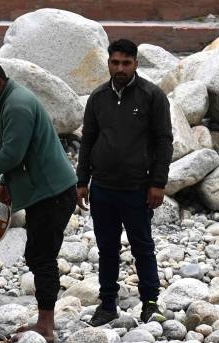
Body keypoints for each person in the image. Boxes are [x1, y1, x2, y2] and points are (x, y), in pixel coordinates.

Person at [0, 56, 78, 343]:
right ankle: (45, 320)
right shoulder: (1, 101)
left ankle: (46, 326)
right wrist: (5, 183)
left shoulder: (16, 105)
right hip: (43, 191)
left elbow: (11, 155)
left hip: (52, 192)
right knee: (39, 254)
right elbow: (16, 149)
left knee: (42, 256)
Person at [77, 38, 173, 326]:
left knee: (142, 246)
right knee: (107, 248)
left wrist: (158, 183)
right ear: (108, 63)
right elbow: (88, 140)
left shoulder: (152, 96)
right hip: (102, 188)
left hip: (137, 188)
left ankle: (151, 303)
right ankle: (107, 305)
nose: (120, 68)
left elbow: (164, 141)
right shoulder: (97, 98)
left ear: (135, 64)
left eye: (126, 63)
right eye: (115, 62)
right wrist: (82, 180)